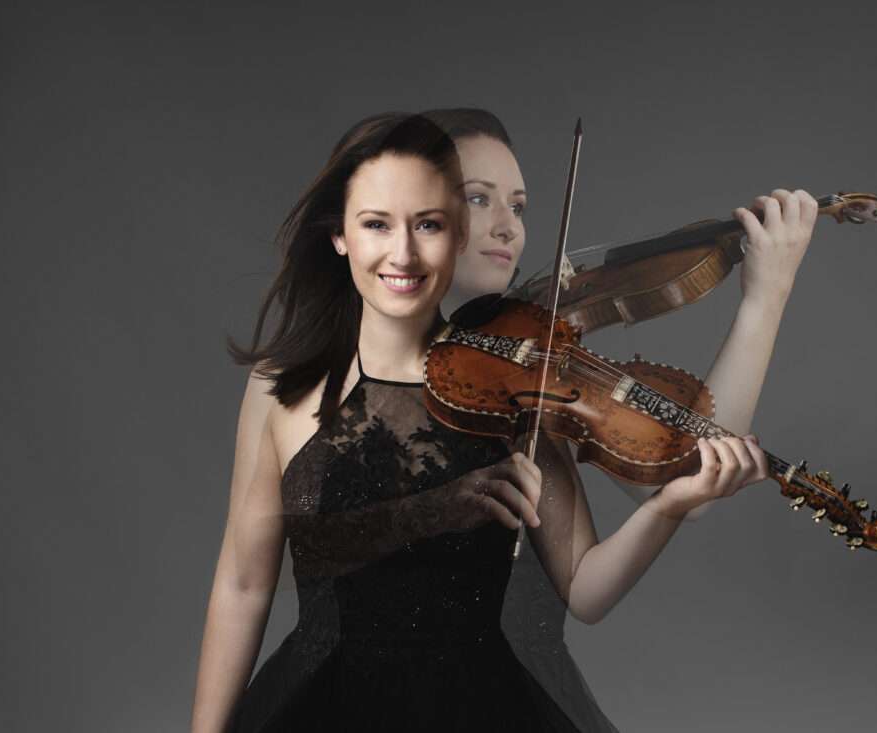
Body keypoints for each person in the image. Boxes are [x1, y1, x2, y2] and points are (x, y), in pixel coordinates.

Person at [190, 111, 771, 733]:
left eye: (429, 225)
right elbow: (244, 584)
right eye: (376, 224)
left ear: (453, 236)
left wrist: (669, 506)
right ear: (340, 235)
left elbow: (586, 587)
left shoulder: (511, 389)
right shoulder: (281, 388)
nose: (402, 253)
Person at [422, 107, 819, 731]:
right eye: (478, 198)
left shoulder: (517, 388)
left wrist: (766, 298)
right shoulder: (336, 384)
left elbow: (672, 475)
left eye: (519, 207)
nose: (508, 227)